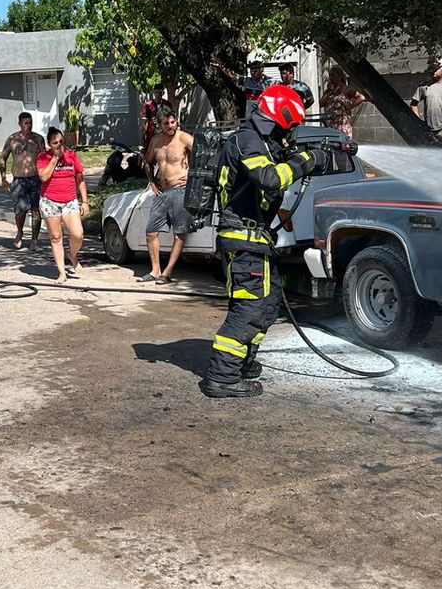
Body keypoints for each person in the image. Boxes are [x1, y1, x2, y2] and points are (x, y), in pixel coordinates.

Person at [203, 85, 334, 398]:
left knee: (269, 302)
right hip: (242, 241)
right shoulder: (246, 140)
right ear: (274, 119)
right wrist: (306, 162)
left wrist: (302, 156)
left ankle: (243, 363)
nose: (285, 135)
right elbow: (270, 179)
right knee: (249, 309)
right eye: (284, 128)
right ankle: (221, 376)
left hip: (256, 242)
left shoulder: (259, 143)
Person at [140, 106, 193, 284]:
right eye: (166, 123)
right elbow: (147, 161)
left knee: (179, 233)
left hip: (181, 190)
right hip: (162, 192)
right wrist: (152, 181)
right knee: (151, 231)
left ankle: (167, 272)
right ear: (159, 124)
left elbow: (205, 154)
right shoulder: (156, 141)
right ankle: (155, 270)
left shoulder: (184, 137)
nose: (170, 126)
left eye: (172, 122)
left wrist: (192, 177)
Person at [36, 127, 90, 283]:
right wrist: (54, 159)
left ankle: (72, 255)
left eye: (61, 141)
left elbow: (80, 178)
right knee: (56, 237)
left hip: (69, 201)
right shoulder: (43, 157)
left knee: (77, 234)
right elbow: (44, 177)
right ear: (49, 144)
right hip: (49, 201)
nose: (59, 145)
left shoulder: (72, 156)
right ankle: (62, 273)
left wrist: (84, 201)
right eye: (55, 143)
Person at [0, 111, 46, 250]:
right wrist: (3, 179)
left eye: (30, 123)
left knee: (36, 210)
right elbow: (3, 158)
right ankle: (20, 232)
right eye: (26, 123)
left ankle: (34, 241)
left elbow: (44, 159)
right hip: (19, 180)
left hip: (35, 179)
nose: (29, 126)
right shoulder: (12, 139)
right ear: (20, 124)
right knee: (21, 210)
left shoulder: (38, 139)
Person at [321, 65, 367, 138]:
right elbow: (321, 104)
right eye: (330, 75)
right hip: (330, 126)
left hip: (342, 125)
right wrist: (329, 92)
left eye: (333, 75)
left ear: (339, 76)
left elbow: (361, 97)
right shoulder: (329, 91)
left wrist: (350, 107)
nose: (330, 78)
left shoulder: (346, 90)